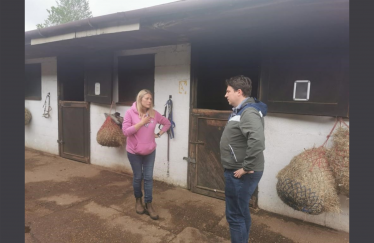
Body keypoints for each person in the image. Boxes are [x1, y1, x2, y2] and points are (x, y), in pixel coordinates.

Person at [220, 75, 266, 243]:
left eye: (228, 91)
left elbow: (257, 140)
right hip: (239, 169)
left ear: (239, 92)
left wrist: (247, 166)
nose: (226, 95)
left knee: (234, 216)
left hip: (241, 172)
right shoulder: (241, 111)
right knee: (241, 211)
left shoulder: (249, 112)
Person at [122, 89, 171, 220]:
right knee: (138, 177)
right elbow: (126, 132)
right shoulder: (129, 113)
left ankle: (149, 204)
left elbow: (167, 123)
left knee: (148, 178)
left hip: (150, 152)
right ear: (140, 99)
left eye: (151, 99)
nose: (150, 101)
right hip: (134, 152)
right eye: (147, 98)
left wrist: (158, 134)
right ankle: (138, 201)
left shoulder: (154, 114)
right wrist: (141, 123)